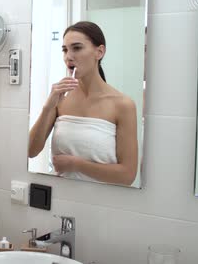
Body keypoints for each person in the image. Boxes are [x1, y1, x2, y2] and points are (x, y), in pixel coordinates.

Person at [28, 21, 138, 186]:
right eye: (65, 50)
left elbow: (127, 176)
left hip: (103, 204)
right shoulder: (61, 99)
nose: (68, 56)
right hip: (61, 198)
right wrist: (48, 107)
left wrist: (76, 164)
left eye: (77, 48)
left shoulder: (122, 105)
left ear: (99, 52)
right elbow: (31, 151)